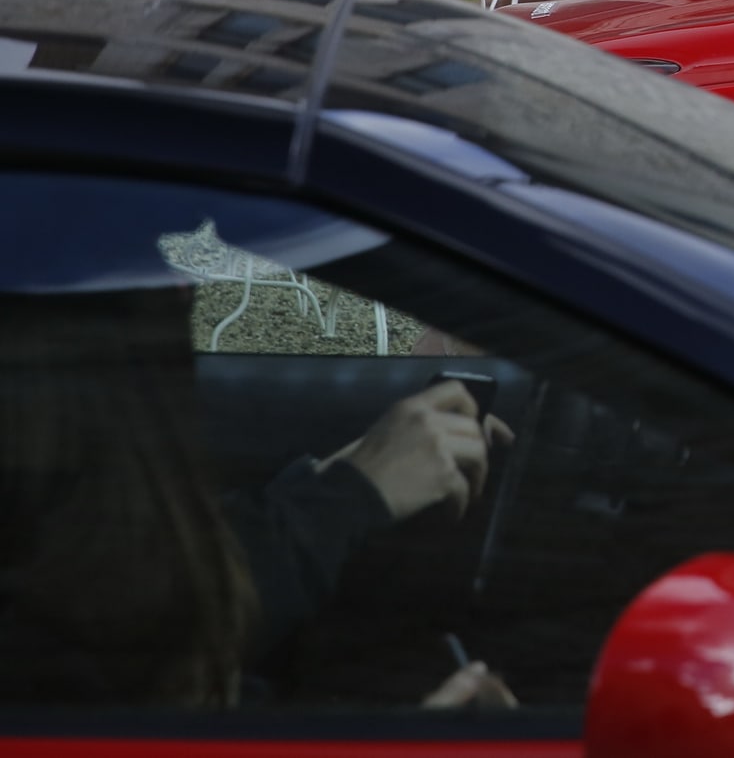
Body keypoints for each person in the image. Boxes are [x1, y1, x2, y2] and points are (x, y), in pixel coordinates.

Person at [0, 286, 515, 709]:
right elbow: (138, 630)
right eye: (155, 280)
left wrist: (334, 488)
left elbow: (149, 602)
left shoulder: (66, 551)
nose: (185, 285)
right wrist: (347, 497)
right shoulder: (54, 643)